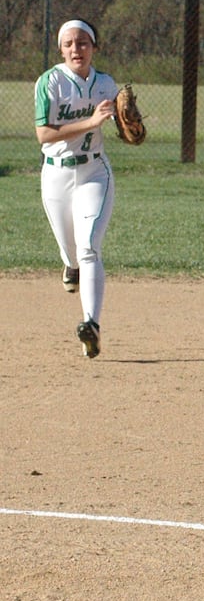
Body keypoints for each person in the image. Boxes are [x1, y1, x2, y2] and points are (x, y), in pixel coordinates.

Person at [34, 18, 120, 359]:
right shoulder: (50, 82)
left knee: (89, 247)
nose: (76, 49)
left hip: (93, 172)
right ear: (60, 50)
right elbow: (45, 134)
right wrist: (91, 121)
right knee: (71, 253)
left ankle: (91, 324)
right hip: (55, 175)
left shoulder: (105, 84)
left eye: (83, 43)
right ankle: (69, 265)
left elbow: (125, 126)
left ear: (94, 47)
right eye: (69, 44)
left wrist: (130, 122)